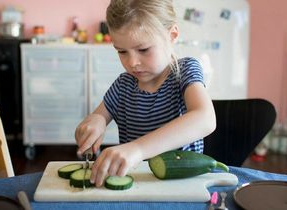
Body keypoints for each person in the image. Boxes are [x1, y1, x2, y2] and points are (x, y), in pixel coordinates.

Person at [75, 0, 216, 187]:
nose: (132, 62)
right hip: (136, 184)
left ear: (172, 35)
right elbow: (99, 116)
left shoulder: (185, 71)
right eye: (122, 51)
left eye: (143, 49)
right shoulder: (123, 84)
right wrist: (95, 122)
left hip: (182, 185)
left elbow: (205, 119)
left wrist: (138, 149)